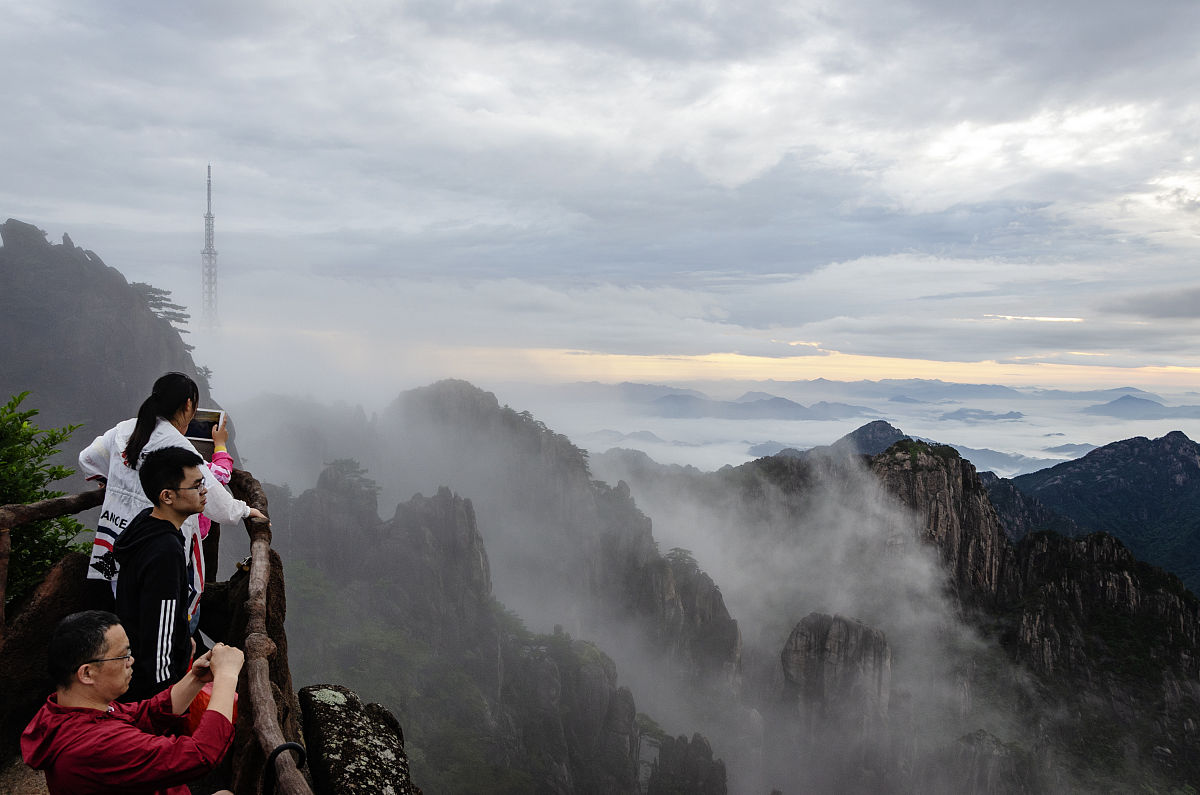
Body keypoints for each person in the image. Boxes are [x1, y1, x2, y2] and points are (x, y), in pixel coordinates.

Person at [78, 372, 266, 625]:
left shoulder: (124, 430)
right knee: (165, 610)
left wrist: (110, 478)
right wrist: (244, 511)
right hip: (160, 543)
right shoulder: (179, 447)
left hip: (117, 537)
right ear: (188, 405)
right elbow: (213, 497)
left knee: (121, 602)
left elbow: (88, 459)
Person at [21, 610, 242, 795]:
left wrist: (195, 678)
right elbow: (201, 754)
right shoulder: (97, 746)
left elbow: (147, 713)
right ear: (86, 673)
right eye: (123, 656)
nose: (131, 661)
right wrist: (227, 676)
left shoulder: (66, 709)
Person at [115, 446, 210, 701]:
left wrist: (183, 638)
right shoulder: (166, 551)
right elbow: (160, 632)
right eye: (196, 485)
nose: (204, 491)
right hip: (153, 689)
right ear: (167, 496)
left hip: (134, 662)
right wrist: (163, 699)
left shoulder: (146, 522)